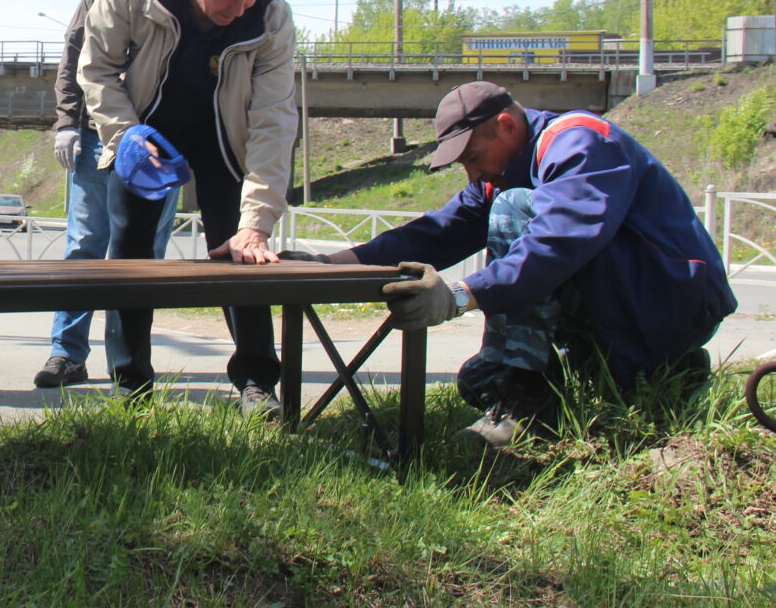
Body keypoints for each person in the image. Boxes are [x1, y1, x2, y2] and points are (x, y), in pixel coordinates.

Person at [295, 81, 737, 449]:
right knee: (480, 378)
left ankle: (525, 406)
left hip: (669, 299)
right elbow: (435, 232)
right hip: (625, 297)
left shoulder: (580, 142)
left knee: (511, 211)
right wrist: (329, 264)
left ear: (506, 126)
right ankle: (658, 373)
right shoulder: (507, 167)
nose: (471, 174)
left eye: (472, 158)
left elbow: (558, 243)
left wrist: (458, 296)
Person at [79, 0, 298, 416]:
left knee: (244, 253)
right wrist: (126, 136)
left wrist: (257, 222)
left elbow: (274, 121)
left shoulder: (271, 16)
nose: (238, 11)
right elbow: (96, 67)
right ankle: (130, 385)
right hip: (146, 129)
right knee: (131, 253)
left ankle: (258, 382)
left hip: (227, 136)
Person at [36, 0, 185, 389]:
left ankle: (130, 361)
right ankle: (67, 353)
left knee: (145, 256)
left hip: (160, 147)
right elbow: (75, 54)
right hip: (96, 135)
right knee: (85, 246)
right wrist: (65, 122)